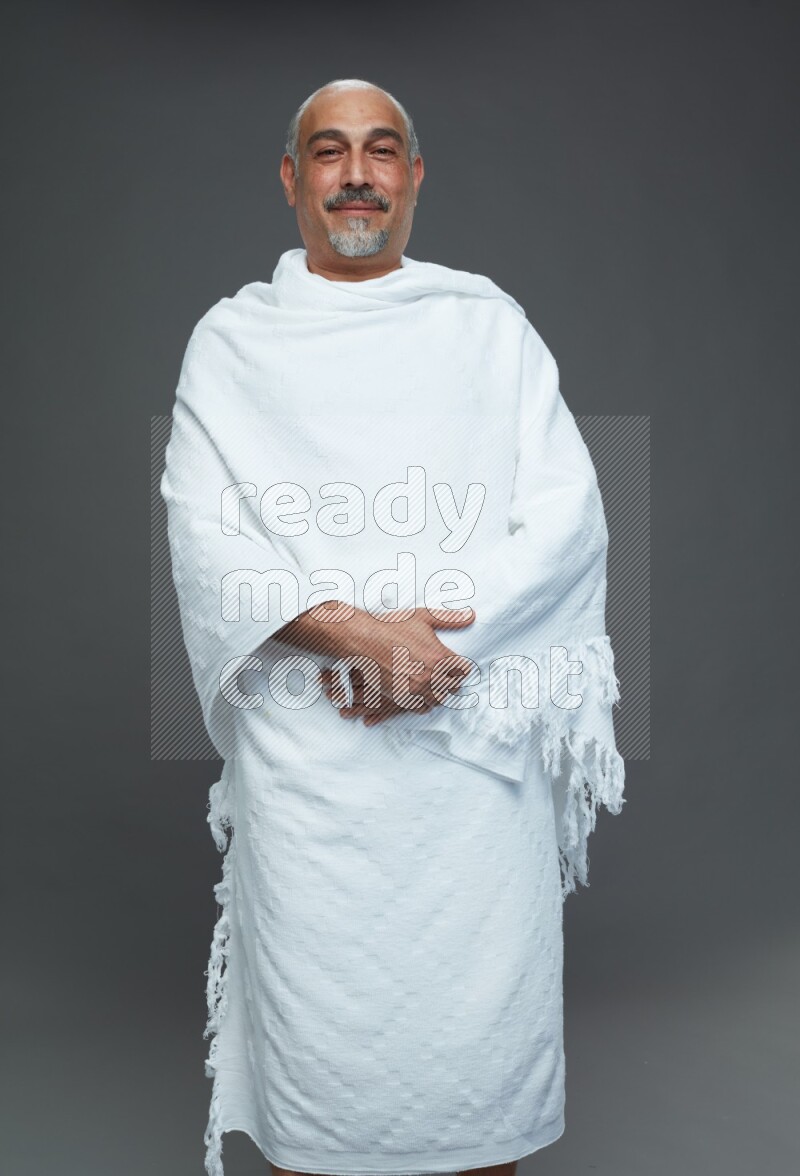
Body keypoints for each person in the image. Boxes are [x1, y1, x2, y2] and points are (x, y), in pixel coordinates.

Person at [160, 77, 625, 1176]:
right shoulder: (233, 342)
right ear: (292, 180)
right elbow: (203, 534)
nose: (356, 175)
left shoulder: (488, 328)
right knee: (321, 1068)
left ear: (413, 177)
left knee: (478, 1066)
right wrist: (354, 638)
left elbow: (568, 518)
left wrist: (431, 650)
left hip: (472, 768)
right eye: (329, 152)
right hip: (307, 766)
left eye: (380, 151)